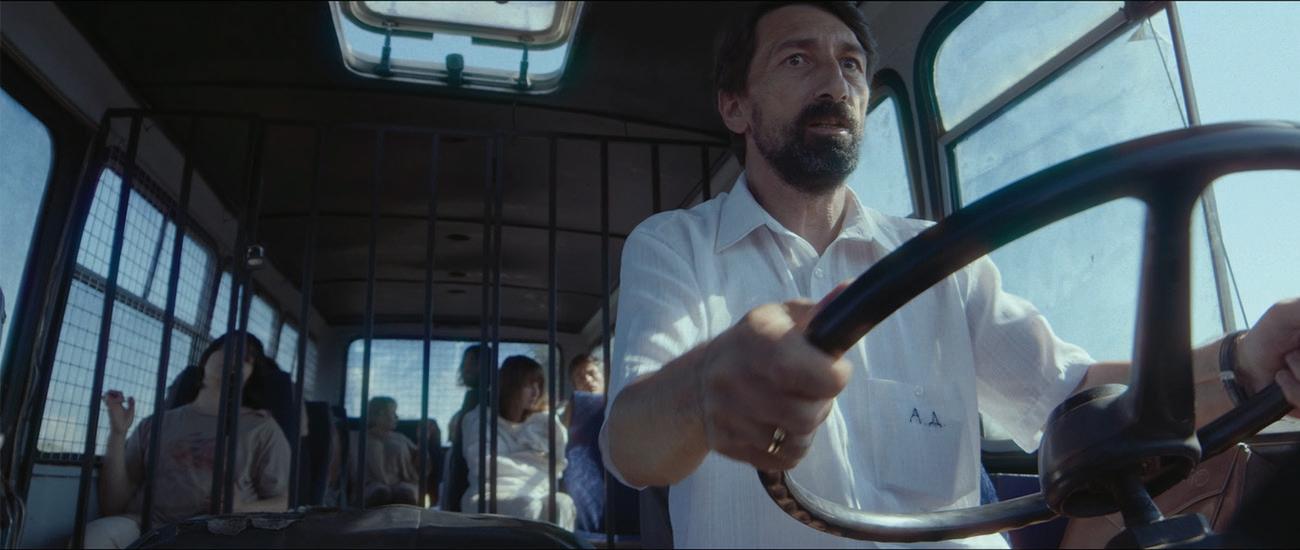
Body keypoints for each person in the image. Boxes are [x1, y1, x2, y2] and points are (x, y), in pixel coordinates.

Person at [599, 3, 1300, 548]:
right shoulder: (675, 246)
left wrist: (1247, 360)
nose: (836, 83)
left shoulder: (934, 257)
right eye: (797, 59)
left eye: (851, 65)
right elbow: (631, 443)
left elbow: (1074, 393)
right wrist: (704, 389)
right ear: (735, 106)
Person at [83, 334, 291, 549]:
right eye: (228, 349)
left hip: (214, 533)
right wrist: (118, 434)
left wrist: (241, 509)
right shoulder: (156, 424)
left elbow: (283, 502)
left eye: (246, 358)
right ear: (206, 359)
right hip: (144, 527)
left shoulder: (262, 428)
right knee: (92, 538)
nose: (235, 358)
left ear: (251, 375)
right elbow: (114, 505)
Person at [461, 355, 575, 529]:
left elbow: (557, 466)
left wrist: (515, 459)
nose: (536, 392)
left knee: (563, 503)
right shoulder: (479, 419)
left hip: (539, 492)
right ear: (510, 386)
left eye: (539, 385)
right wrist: (535, 462)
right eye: (529, 385)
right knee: (528, 505)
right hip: (491, 493)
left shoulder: (545, 423)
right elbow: (485, 465)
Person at [361, 396, 420, 506]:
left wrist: (423, 441)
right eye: (393, 413)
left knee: (405, 494)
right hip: (372, 485)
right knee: (380, 493)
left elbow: (419, 460)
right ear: (380, 415)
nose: (397, 417)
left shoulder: (401, 438)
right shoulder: (362, 439)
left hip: (401, 483)